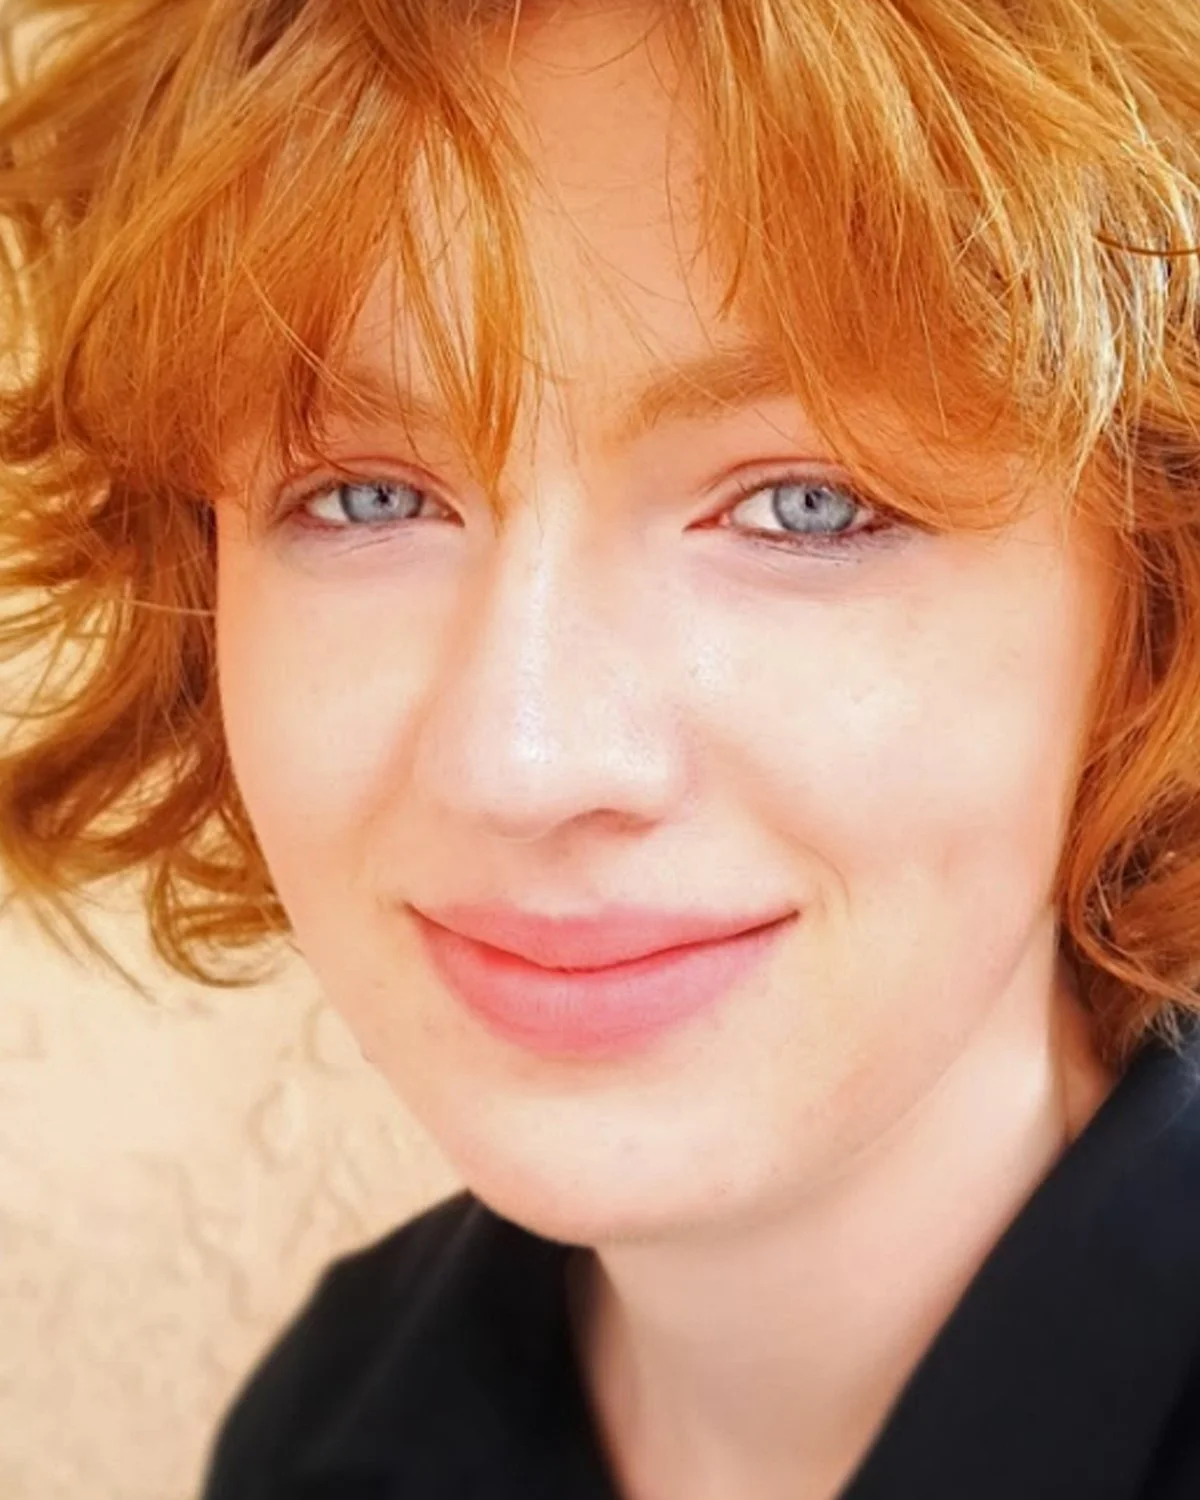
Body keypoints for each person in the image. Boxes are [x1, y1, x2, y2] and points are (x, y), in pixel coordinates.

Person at [3, 0, 1200, 1495]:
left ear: (1153, 602)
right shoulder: (332, 1420)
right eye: (368, 496)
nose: (519, 759)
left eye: (808, 504)